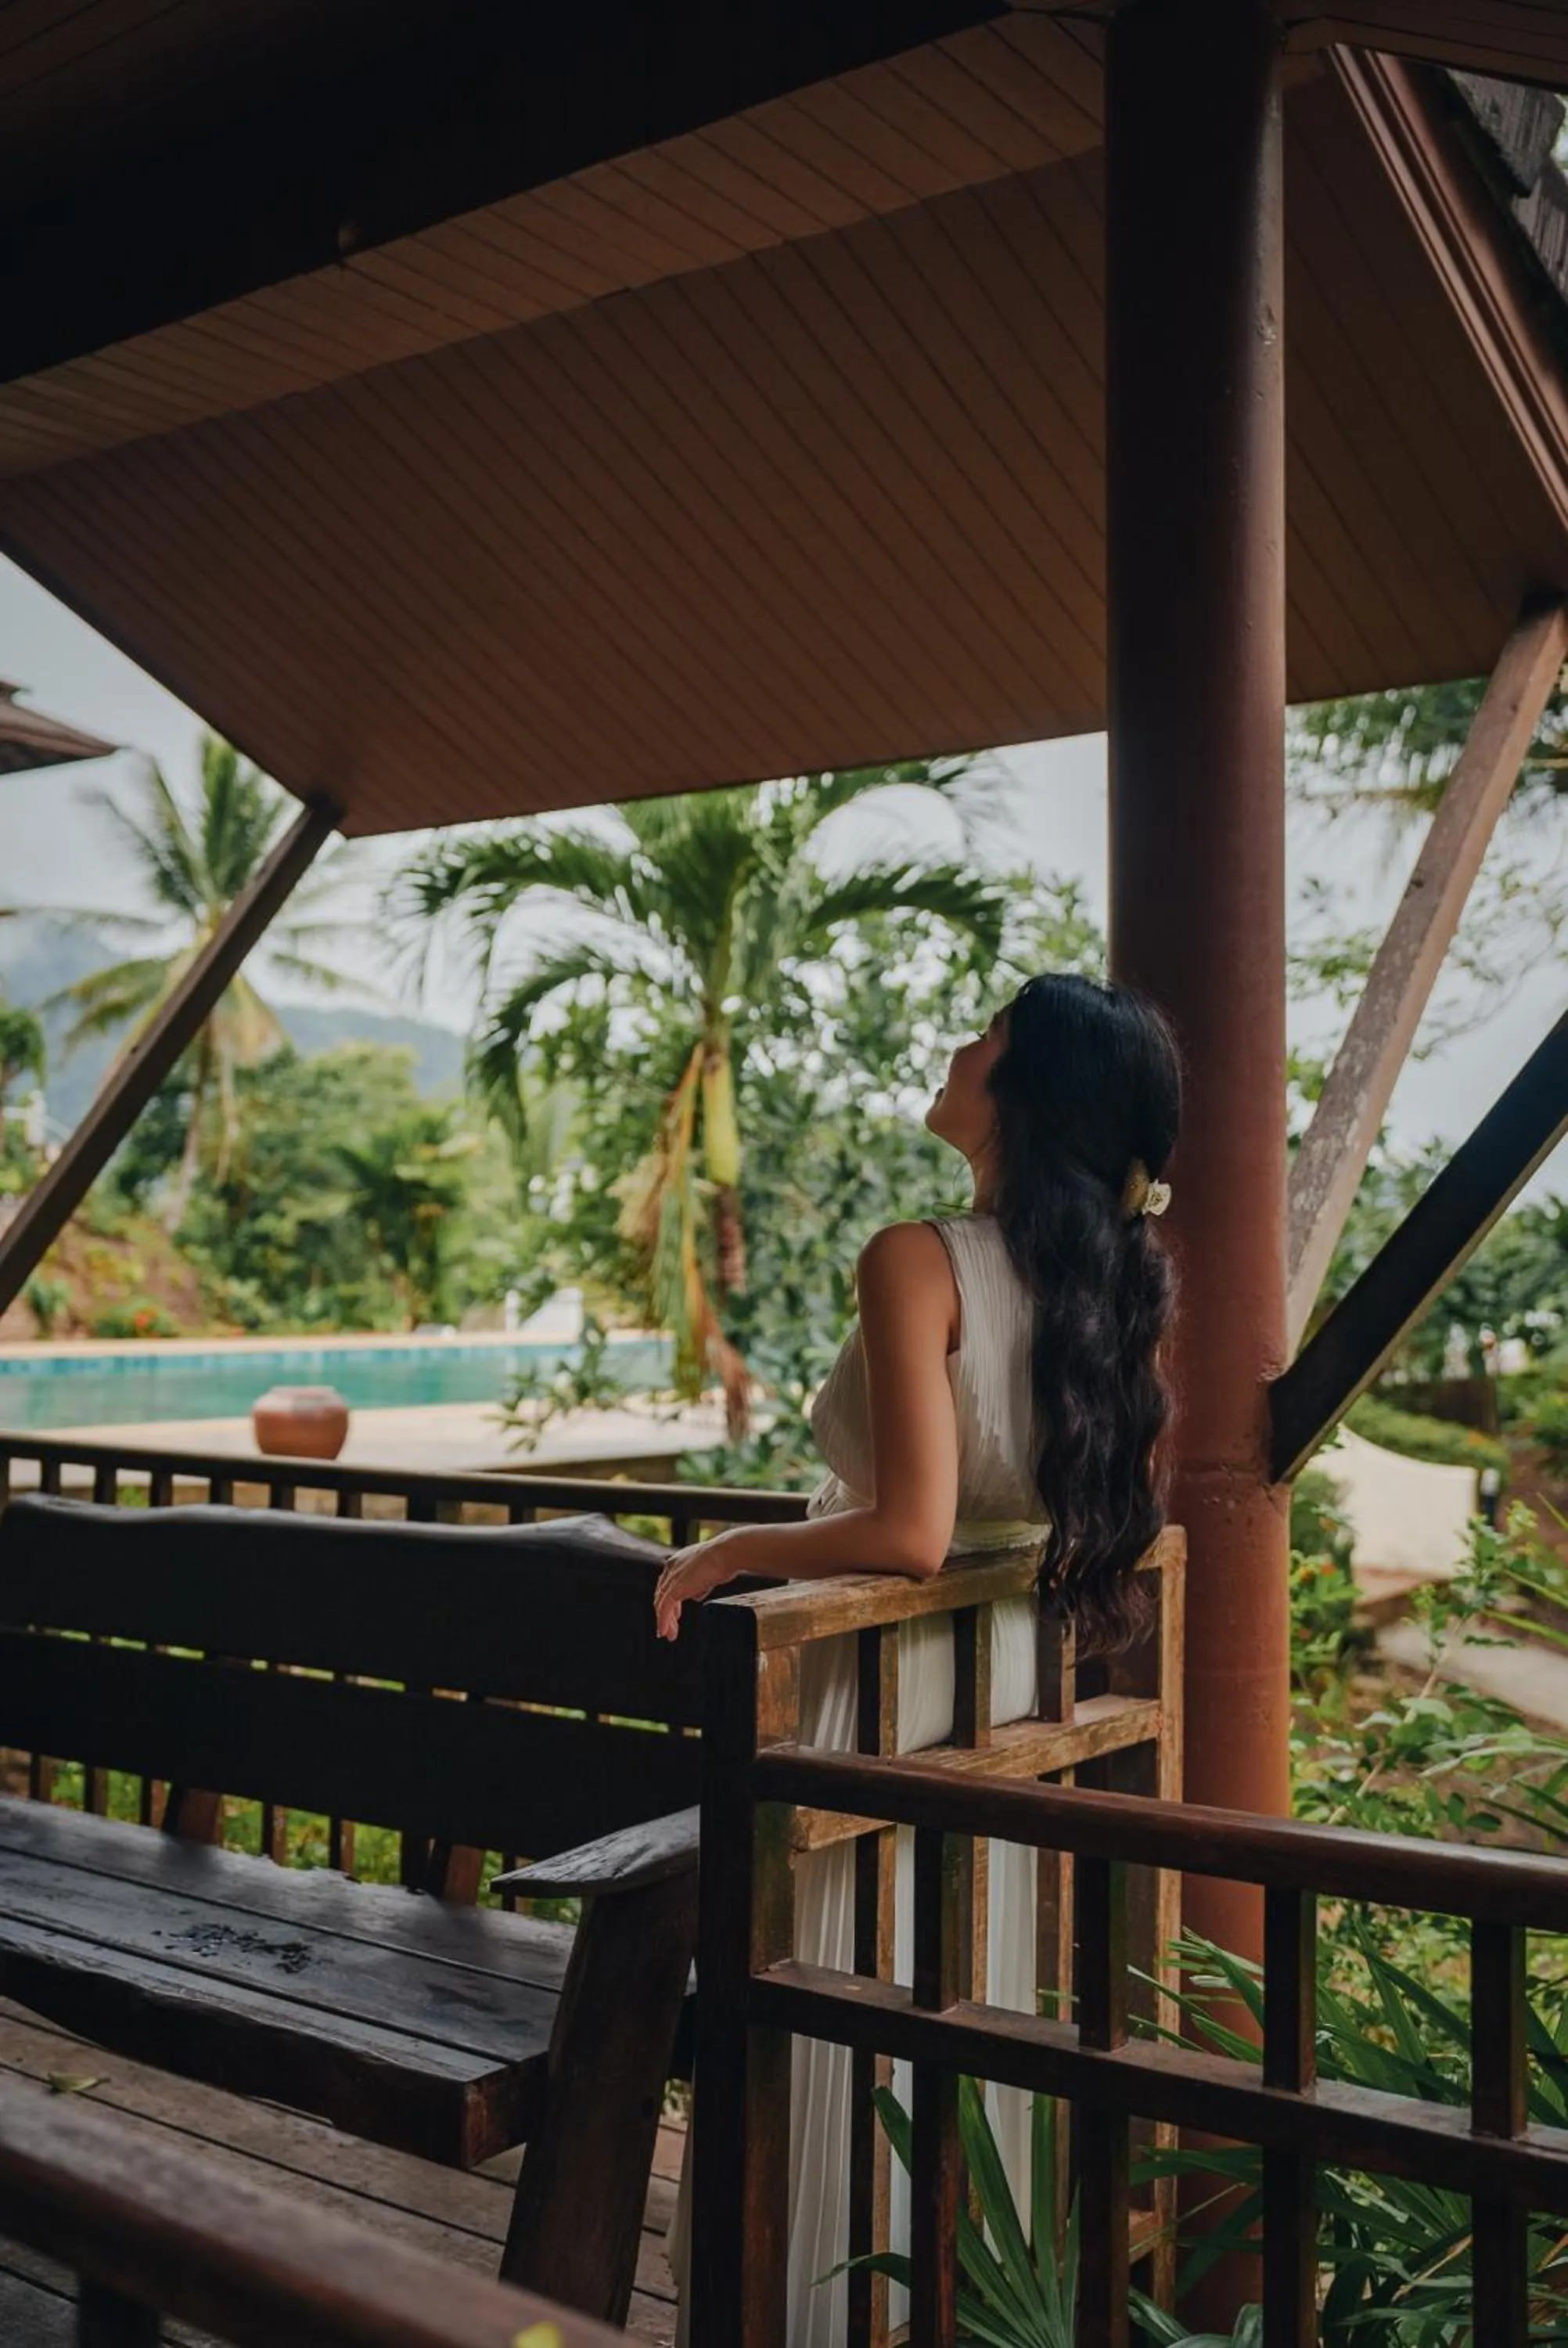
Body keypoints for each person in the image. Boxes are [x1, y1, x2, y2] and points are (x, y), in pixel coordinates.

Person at [655, 971, 1183, 2348]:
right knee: (967, 1984)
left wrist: (725, 1554)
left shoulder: (921, 1257)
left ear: (1024, 1089)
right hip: (1006, 1669)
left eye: (989, 1032)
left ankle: (800, 2311)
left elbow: (906, 1529)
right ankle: (955, 2303)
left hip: (891, 1671)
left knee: (835, 1983)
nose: (961, 1044)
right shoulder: (1104, 1280)